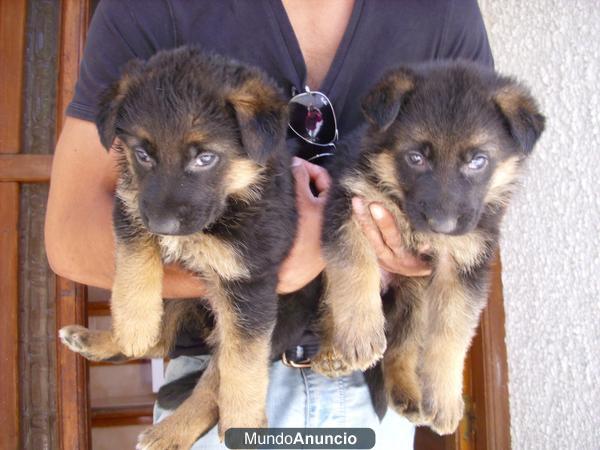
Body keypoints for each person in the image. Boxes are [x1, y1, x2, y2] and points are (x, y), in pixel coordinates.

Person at [45, 1, 493, 448]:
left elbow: (474, 215)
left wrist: (399, 248)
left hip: (365, 378)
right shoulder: (148, 9)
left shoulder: (444, 12)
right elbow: (69, 234)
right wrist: (264, 269)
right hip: (213, 367)